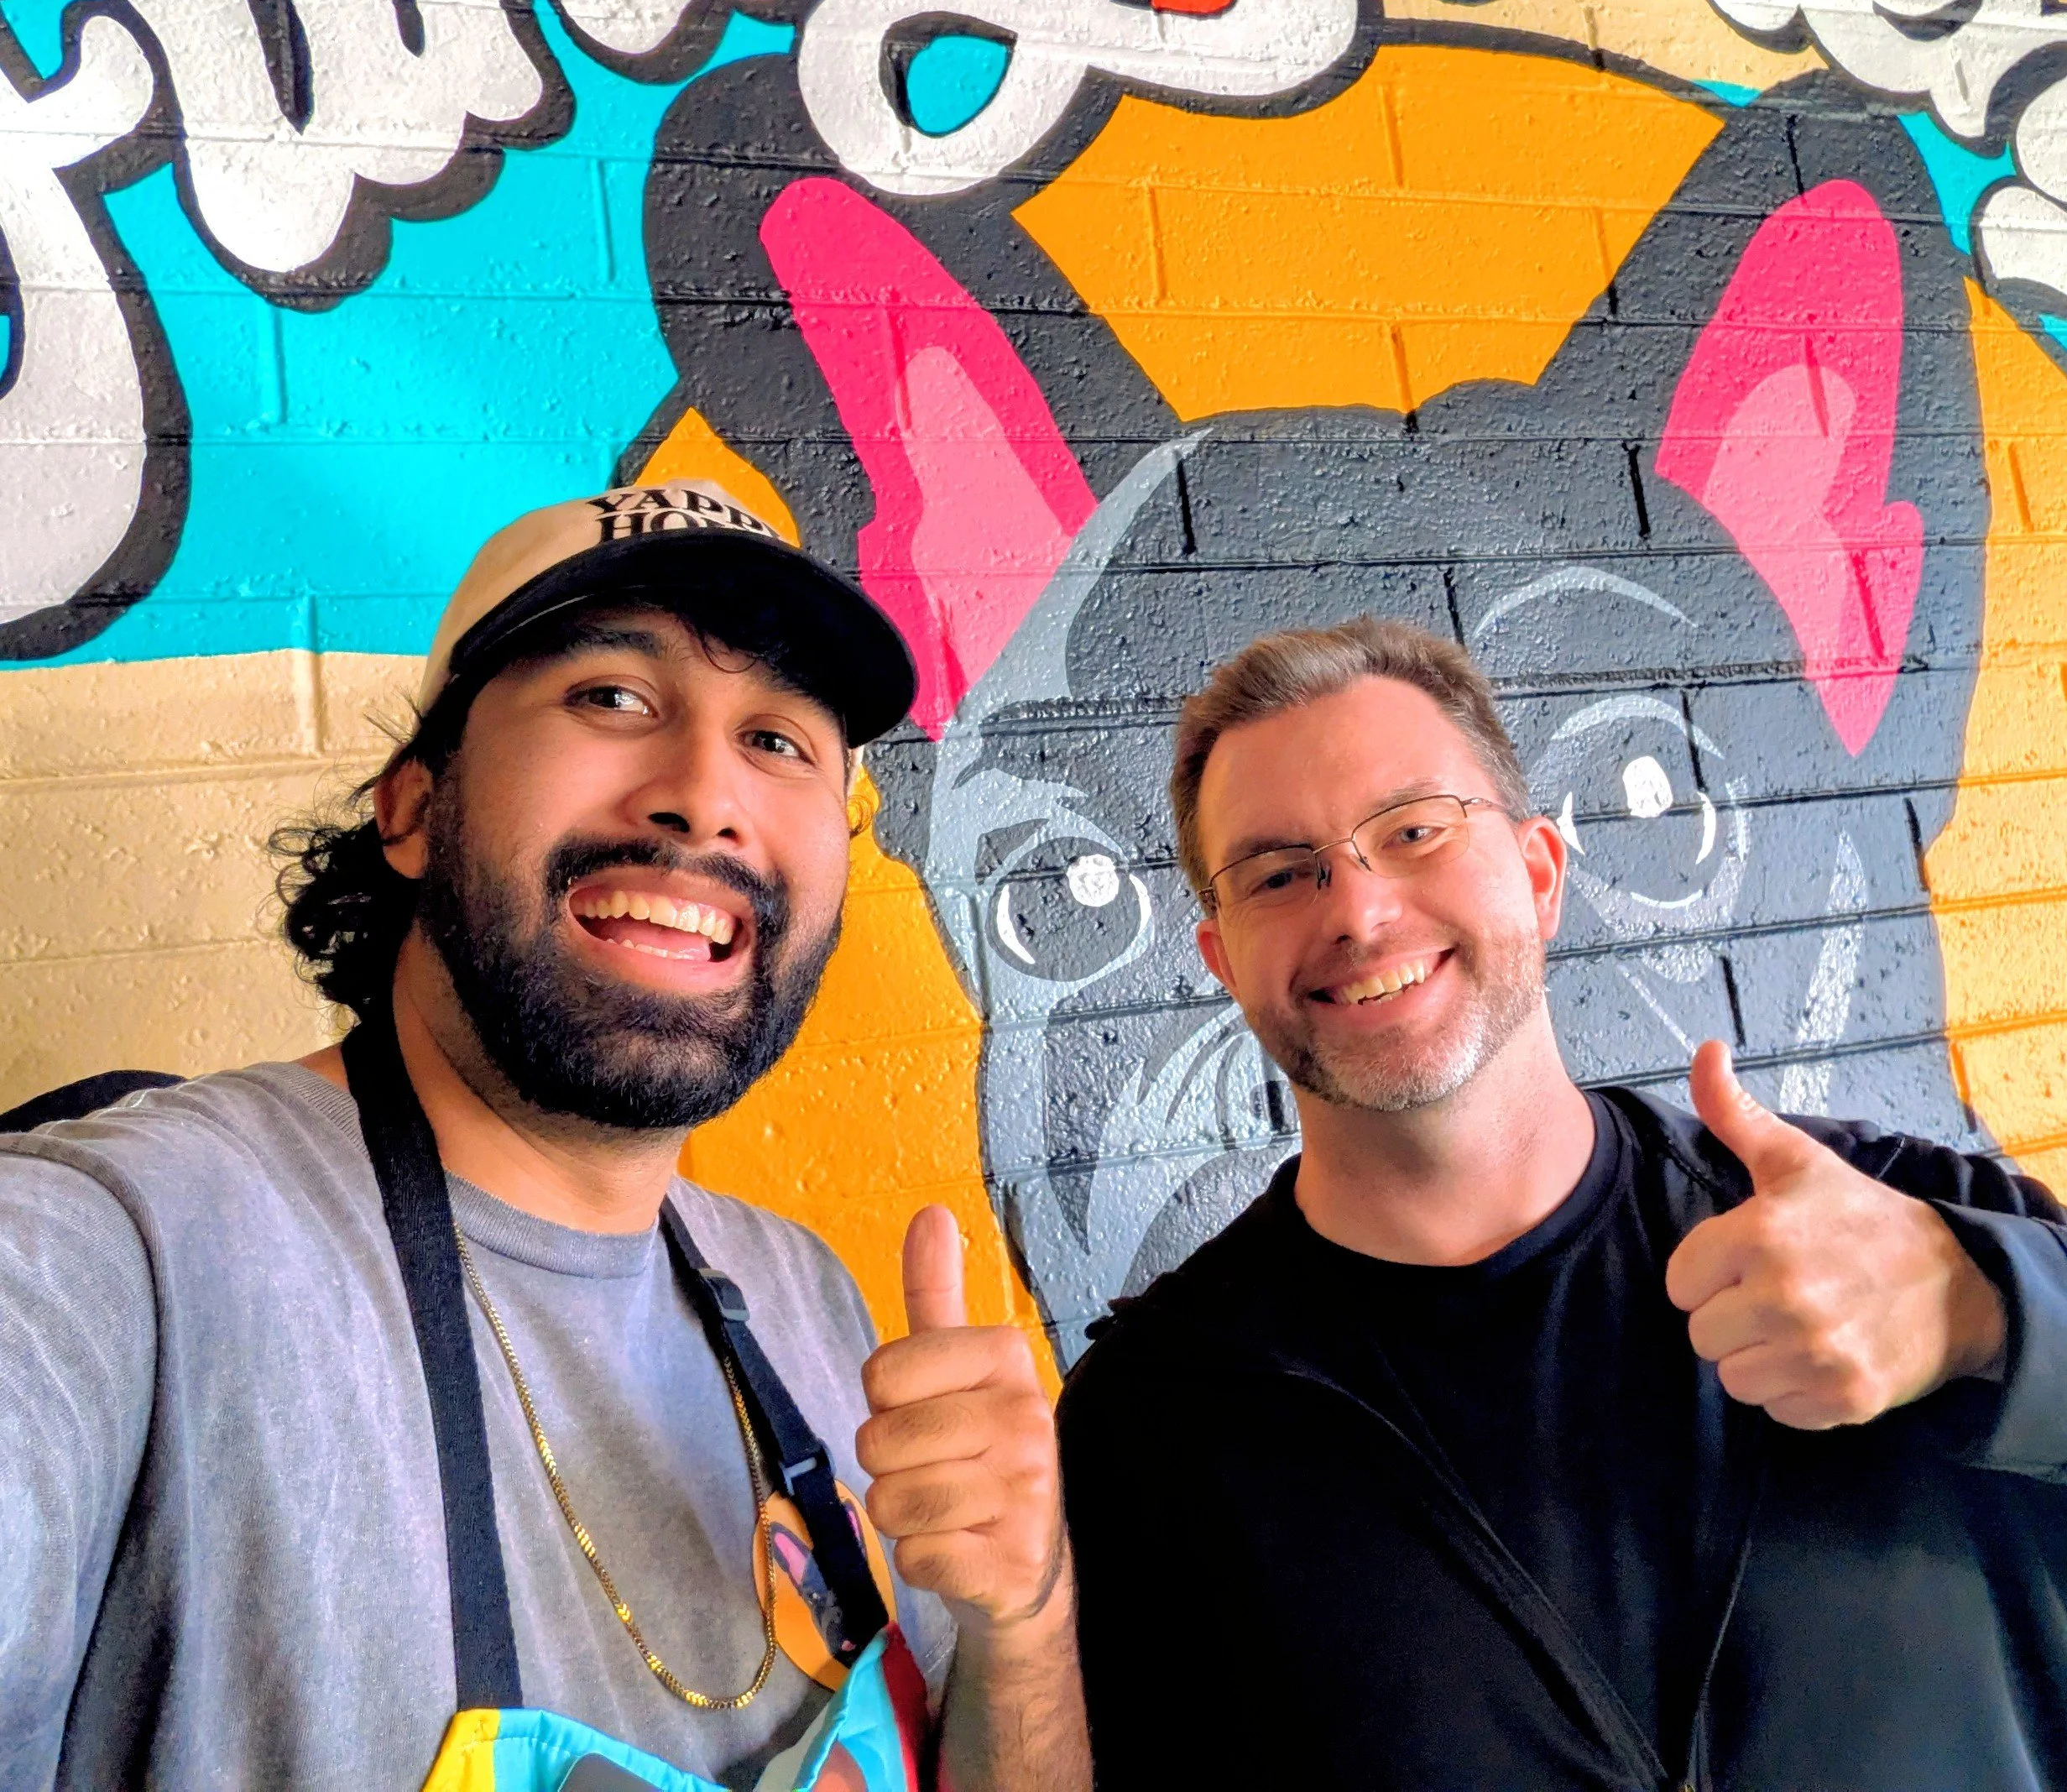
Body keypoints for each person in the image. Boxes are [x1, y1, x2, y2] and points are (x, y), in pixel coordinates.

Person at [0, 480, 1087, 1792]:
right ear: (410, 809)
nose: (703, 795)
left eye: (781, 741)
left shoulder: (812, 1304)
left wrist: (1024, 1622)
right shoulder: (123, 1247)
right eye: (613, 699)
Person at [1057, 615, 2067, 1792]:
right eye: (1281, 875)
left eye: (1414, 830)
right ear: (1222, 959)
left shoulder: (1893, 1218)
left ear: (1538, 875)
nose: (1358, 908)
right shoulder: (1152, 1426)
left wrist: (1989, 1316)